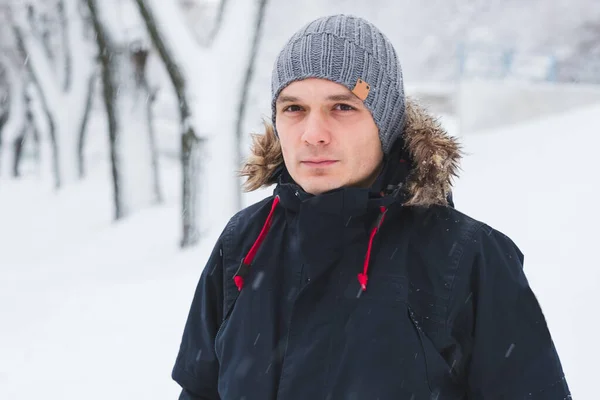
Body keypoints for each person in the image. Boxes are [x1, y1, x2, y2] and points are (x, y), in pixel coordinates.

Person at [171, 14, 571, 400]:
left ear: (387, 121)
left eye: (342, 107)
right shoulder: (243, 242)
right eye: (294, 108)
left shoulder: (469, 257)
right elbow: (200, 391)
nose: (312, 134)